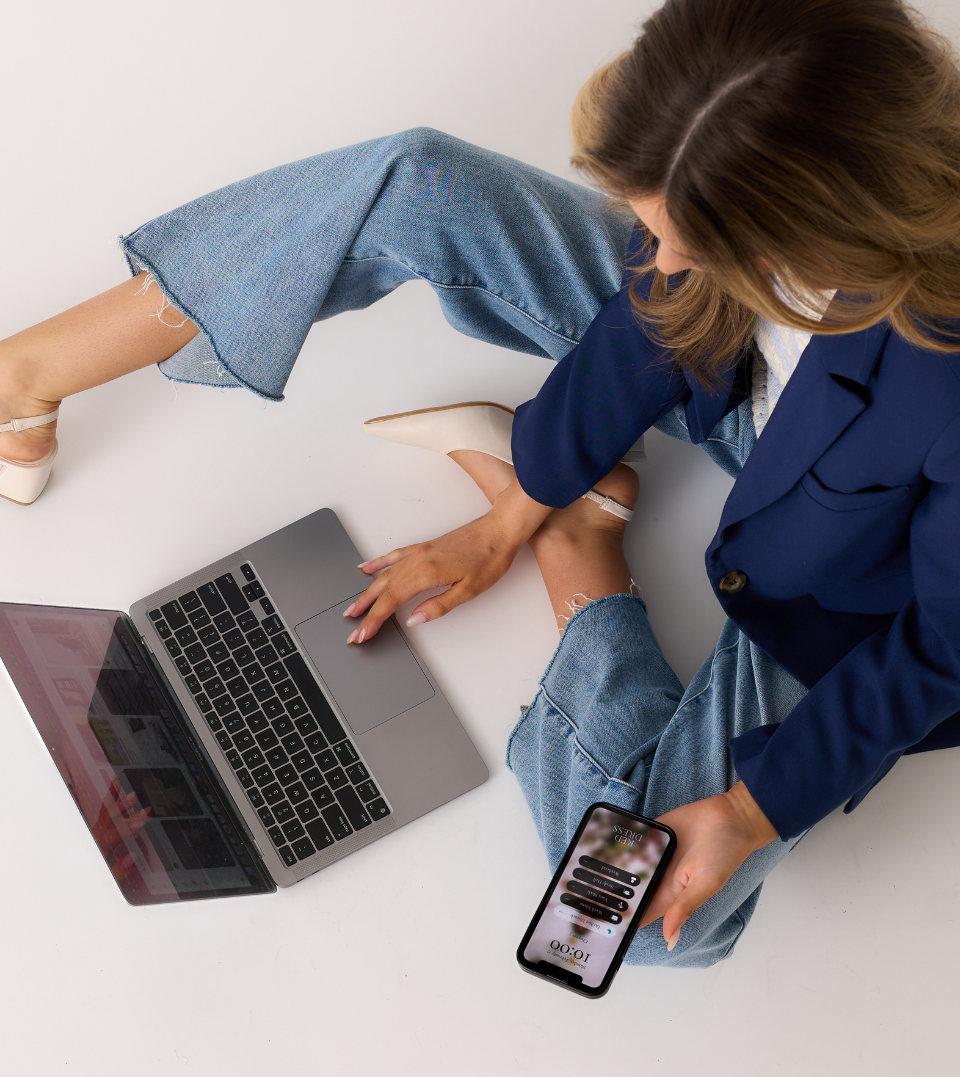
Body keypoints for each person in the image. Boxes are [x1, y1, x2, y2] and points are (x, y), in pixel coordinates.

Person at [3, 0, 959, 966]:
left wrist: (751, 812)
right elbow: (657, 318)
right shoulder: (760, 135)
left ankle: (586, 553)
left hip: (854, 582)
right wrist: (520, 503)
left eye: (694, 246)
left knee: (623, 931)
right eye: (651, 228)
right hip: (758, 402)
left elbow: (944, 644)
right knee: (419, 182)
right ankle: (22, 379)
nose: (660, 266)